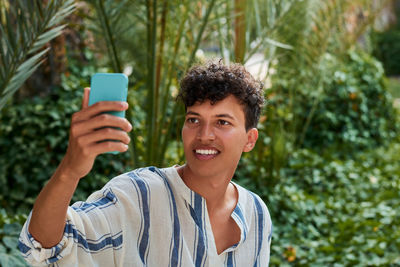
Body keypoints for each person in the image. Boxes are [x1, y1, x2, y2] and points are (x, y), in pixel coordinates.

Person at [19, 61, 272, 266]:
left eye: (222, 122)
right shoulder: (138, 196)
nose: (204, 134)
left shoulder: (257, 215)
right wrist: (70, 170)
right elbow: (43, 247)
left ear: (249, 139)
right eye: (194, 120)